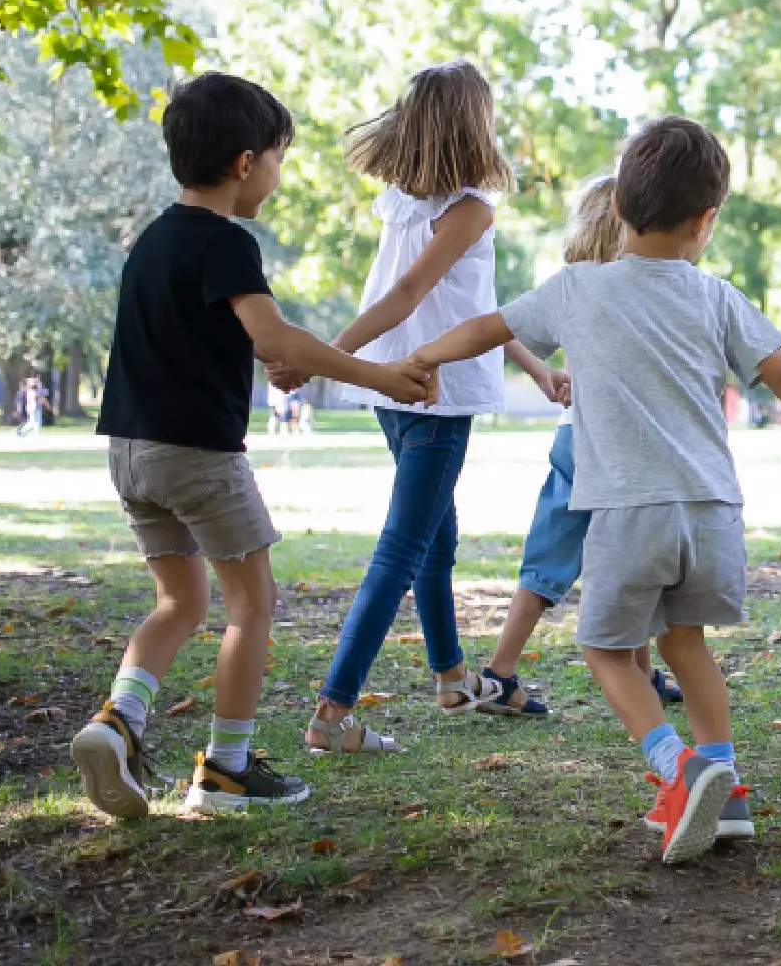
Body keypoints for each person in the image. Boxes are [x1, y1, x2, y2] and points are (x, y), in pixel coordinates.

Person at [407, 115, 781, 863]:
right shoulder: (715, 296)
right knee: (687, 647)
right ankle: (726, 793)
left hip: (629, 510)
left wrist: (425, 356)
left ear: (618, 211)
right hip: (713, 512)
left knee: (603, 648)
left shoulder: (578, 288)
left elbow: (486, 327)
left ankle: (678, 768)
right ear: (707, 221)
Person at [70, 71, 431, 819]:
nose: (277, 172)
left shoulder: (152, 242)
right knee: (251, 604)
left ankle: (120, 721)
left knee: (178, 600)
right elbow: (272, 336)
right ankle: (226, 769)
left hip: (130, 454)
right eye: (276, 158)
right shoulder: (227, 243)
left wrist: (280, 358)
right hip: (198, 456)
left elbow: (232, 342)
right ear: (245, 164)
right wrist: (379, 375)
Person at [278, 61, 569, 756]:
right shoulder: (468, 208)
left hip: (393, 385)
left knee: (437, 535)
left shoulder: (403, 203)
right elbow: (409, 294)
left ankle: (450, 677)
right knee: (405, 547)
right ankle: (333, 711)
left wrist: (534, 363)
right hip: (432, 391)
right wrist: (320, 356)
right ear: (476, 123)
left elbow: (473, 306)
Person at [476, 176, 681, 718]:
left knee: (554, 560)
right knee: (629, 556)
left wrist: (552, 372)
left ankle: (503, 673)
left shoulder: (573, 284)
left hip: (574, 436)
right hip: (614, 443)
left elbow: (505, 326)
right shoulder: (637, 287)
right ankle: (506, 674)